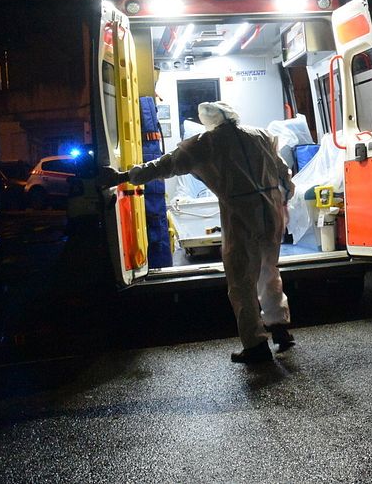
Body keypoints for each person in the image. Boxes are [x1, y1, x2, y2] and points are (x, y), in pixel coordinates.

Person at [98, 101, 296, 364]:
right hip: (271, 210)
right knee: (269, 270)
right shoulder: (260, 135)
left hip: (241, 212)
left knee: (241, 281)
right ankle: (280, 327)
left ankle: (255, 345)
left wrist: (123, 176)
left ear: (208, 120)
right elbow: (284, 172)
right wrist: (283, 195)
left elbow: (164, 165)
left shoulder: (207, 142)